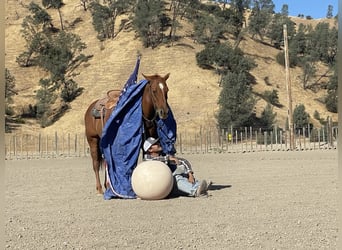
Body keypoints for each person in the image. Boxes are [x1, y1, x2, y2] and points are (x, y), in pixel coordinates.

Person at [142, 137, 210, 197]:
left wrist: (190, 174)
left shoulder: (163, 157)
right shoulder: (147, 159)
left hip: (166, 185)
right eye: (155, 144)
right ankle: (196, 190)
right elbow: (151, 160)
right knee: (176, 178)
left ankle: (197, 186)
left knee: (181, 170)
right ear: (150, 150)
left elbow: (183, 161)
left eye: (158, 142)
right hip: (156, 187)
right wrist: (168, 159)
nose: (159, 144)